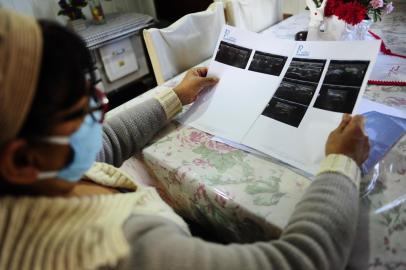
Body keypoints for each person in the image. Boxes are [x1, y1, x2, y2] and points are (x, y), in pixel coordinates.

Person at [0, 9, 370, 270]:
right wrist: (342, 163)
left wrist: (176, 96)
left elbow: (106, 143)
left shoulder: (42, 175)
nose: (103, 104)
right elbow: (299, 261)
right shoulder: (114, 247)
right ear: (20, 161)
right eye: (79, 110)